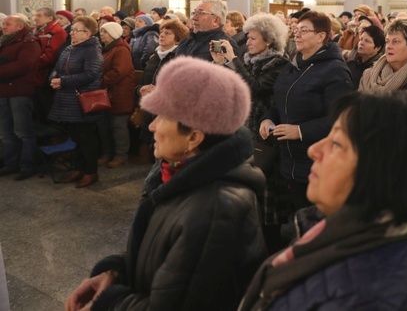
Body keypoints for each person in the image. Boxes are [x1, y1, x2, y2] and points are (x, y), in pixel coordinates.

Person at [65, 57, 266, 310]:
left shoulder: (214, 211)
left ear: (193, 137)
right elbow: (168, 256)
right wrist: (116, 271)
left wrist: (108, 302)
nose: (151, 126)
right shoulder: (179, 174)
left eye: (161, 117)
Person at [240, 91, 407, 311]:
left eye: (337, 144)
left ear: (381, 170)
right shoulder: (396, 232)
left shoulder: (361, 299)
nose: (314, 150)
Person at [211, 13, 291, 254]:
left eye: (254, 38)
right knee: (245, 191)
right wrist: (220, 64)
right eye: (248, 37)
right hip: (241, 130)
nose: (248, 42)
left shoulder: (278, 63)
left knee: (266, 195)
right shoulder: (247, 60)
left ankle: (272, 247)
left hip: (263, 135)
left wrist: (234, 61)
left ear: (269, 41)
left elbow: (254, 88)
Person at [260, 11, 353, 212]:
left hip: (315, 160)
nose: (297, 35)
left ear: (321, 36)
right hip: (288, 159)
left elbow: (341, 118)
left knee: (314, 221)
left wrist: (300, 131)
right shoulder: (294, 64)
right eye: (296, 30)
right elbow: (280, 102)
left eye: (304, 30)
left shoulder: (334, 70)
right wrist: (268, 119)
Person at [48, 16, 103, 188]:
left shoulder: (91, 50)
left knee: (87, 139)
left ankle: (91, 172)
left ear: (87, 33)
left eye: (76, 30)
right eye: (72, 30)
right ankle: (79, 169)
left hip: (82, 100)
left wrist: (63, 82)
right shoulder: (71, 47)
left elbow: (91, 74)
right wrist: (54, 78)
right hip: (67, 98)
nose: (71, 32)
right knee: (77, 138)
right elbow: (58, 68)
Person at [135, 19, 190, 160]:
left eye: (168, 33)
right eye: (162, 32)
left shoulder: (178, 58)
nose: (162, 35)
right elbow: (144, 81)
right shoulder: (154, 57)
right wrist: (140, 89)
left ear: (177, 39)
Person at [0, 15, 41, 181]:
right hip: (3, 91)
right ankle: (10, 164)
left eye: (7, 24)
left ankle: (27, 165)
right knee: (6, 131)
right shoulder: (4, 41)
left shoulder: (29, 42)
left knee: (23, 131)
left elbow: (23, 65)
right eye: (3, 23)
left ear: (19, 26)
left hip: (19, 91)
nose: (3, 26)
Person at [99, 22, 136, 168]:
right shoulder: (108, 49)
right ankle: (108, 153)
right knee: (106, 126)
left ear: (113, 34)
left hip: (119, 94)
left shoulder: (120, 50)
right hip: (109, 93)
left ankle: (121, 155)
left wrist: (101, 81)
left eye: (105, 32)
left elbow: (119, 72)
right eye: (101, 31)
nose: (102, 34)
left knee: (118, 126)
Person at [346, 25, 384, 89]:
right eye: (361, 39)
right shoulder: (351, 64)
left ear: (377, 48)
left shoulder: (379, 71)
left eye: (367, 41)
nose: (361, 43)